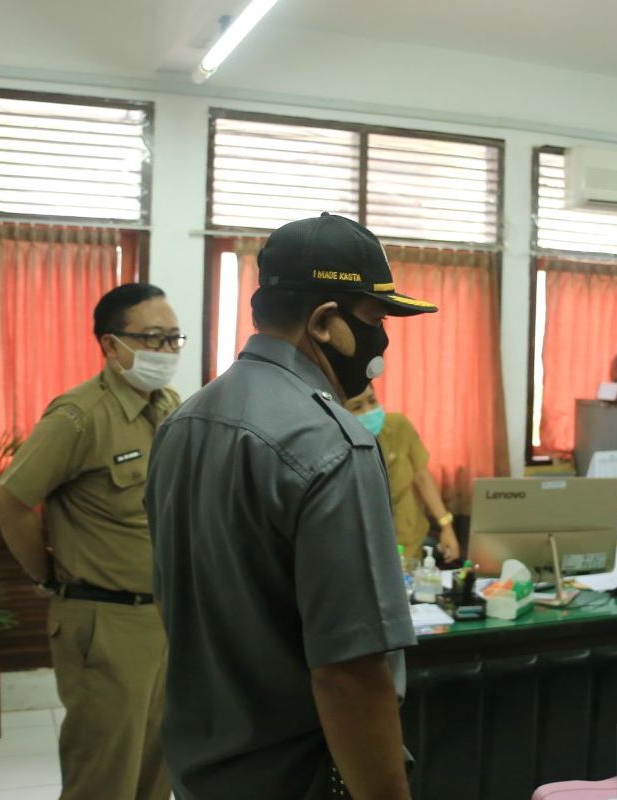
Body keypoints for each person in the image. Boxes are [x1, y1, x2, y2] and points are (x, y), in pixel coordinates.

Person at [145, 213, 436, 800]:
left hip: (205, 768)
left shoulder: (186, 421)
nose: (382, 341)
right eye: (376, 319)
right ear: (326, 322)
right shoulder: (332, 444)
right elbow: (349, 673)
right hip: (297, 776)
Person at [0, 283, 183, 800]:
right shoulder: (78, 416)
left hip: (163, 619)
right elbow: (9, 501)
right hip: (105, 622)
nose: (165, 353)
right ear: (110, 344)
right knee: (103, 779)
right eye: (153, 339)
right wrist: (45, 574)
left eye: (173, 340)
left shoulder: (168, 407)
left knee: (155, 772)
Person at [344, 385, 460, 562]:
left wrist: (446, 526)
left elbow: (422, 477)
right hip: (364, 545)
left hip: (409, 537)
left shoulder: (398, 426)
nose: (369, 410)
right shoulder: (338, 447)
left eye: (372, 401)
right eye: (357, 407)